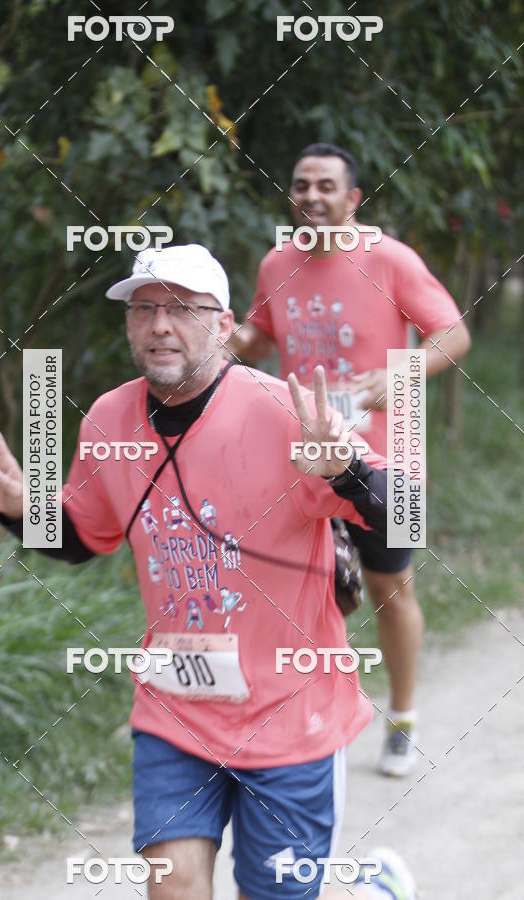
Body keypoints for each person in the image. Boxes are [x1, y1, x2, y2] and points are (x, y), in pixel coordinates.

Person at [0, 244, 416, 899]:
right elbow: (88, 534)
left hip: (290, 708)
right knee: (172, 889)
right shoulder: (111, 418)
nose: (159, 325)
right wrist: (20, 510)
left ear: (225, 326)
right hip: (176, 706)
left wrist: (347, 470)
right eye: (143, 309)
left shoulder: (288, 412)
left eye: (180, 308)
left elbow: (406, 519)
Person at [227, 144, 471, 777]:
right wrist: (230, 338)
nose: (312, 196)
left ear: (353, 198)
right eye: (302, 184)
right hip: (305, 459)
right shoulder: (276, 262)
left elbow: (454, 332)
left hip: (395, 457)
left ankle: (404, 719)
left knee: (391, 587)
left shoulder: (389, 259)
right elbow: (258, 335)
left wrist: (404, 372)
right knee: (304, 591)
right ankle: (306, 721)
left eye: (327, 186)